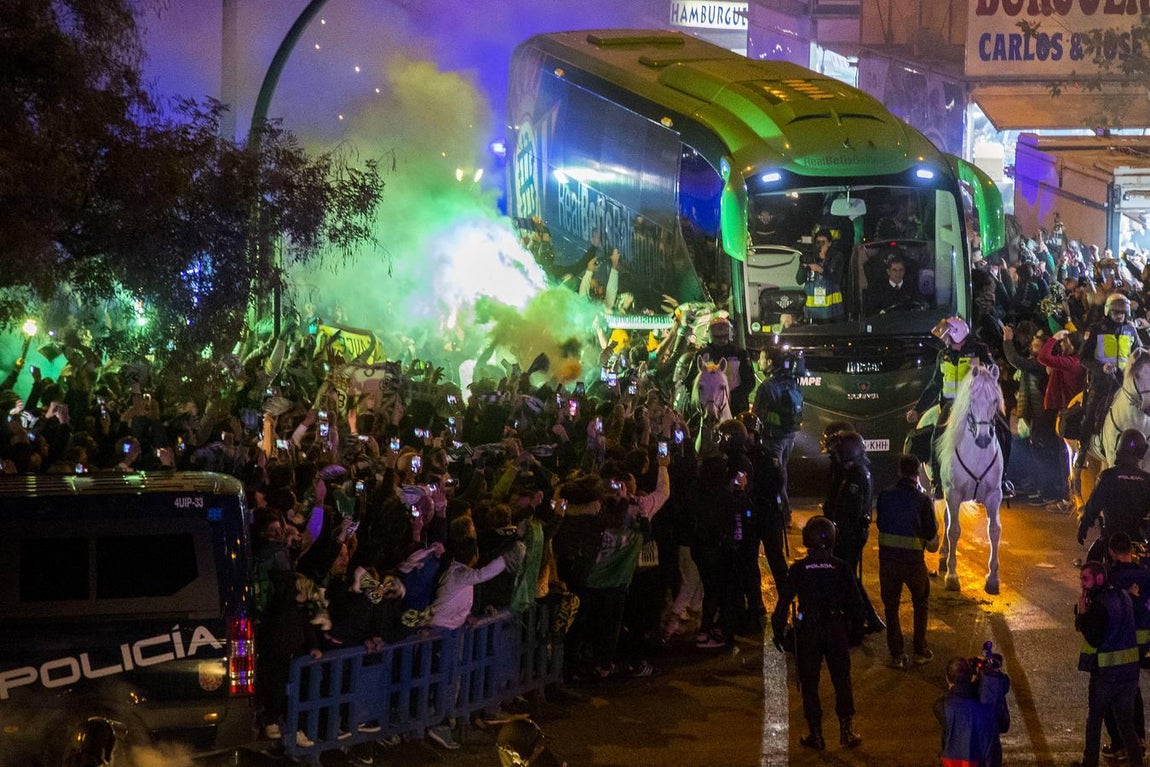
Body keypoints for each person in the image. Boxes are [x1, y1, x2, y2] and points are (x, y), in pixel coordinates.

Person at [771, 516, 865, 750]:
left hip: (809, 630)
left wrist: (778, 632)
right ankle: (846, 731)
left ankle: (816, 733)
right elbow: (857, 605)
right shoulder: (842, 567)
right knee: (841, 680)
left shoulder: (799, 569)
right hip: (835, 628)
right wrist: (854, 634)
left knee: (810, 684)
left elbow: (783, 605)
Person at [906, 316, 1004, 499]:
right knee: (936, 438)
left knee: (1003, 431)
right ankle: (937, 482)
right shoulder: (942, 355)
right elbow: (935, 384)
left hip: (976, 403)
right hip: (951, 406)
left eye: (947, 336)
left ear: (958, 335)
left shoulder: (979, 350)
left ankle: (1003, 480)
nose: (944, 340)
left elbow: (992, 374)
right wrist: (918, 409)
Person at [1073, 560, 1145, 767]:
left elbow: (1094, 638)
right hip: (1129, 676)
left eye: (1085, 579)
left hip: (1106, 675)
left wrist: (1082, 615)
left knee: (1094, 721)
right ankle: (1136, 763)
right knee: (1126, 724)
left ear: (1099, 579)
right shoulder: (1122, 596)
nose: (1082, 584)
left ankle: (1090, 762)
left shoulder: (1099, 605)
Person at [876, 453, 939, 670]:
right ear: (917, 474)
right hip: (913, 563)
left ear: (899, 472)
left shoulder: (884, 495)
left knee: (891, 608)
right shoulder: (922, 500)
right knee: (920, 603)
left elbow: (881, 524)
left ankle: (897, 655)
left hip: (888, 563)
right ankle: (920, 651)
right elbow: (931, 532)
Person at [1075, 293, 1142, 482]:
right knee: (1091, 414)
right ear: (1108, 311)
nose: (1120, 316)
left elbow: (1138, 353)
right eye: (1116, 312)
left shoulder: (1131, 329)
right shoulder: (1097, 329)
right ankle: (1081, 454)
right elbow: (1083, 358)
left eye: (1123, 313)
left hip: (1124, 384)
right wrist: (1101, 366)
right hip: (1102, 383)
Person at [825, 430, 884, 635]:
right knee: (847, 575)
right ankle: (867, 616)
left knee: (848, 576)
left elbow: (849, 510)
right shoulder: (851, 471)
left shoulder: (857, 476)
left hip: (850, 535)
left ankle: (863, 617)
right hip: (847, 533)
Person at [1103, 532, 1150, 760]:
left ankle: (1119, 744)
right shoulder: (1145, 574)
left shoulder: (1111, 578)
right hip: (1142, 642)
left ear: (1111, 551)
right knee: (1134, 691)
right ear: (1130, 551)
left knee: (1111, 692)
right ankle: (1138, 739)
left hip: (1119, 642)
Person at [1077, 429, 1150, 558]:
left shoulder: (1108, 476)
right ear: (1141, 452)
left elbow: (1094, 505)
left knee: (1093, 562)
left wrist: (1084, 525)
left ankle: (1082, 451)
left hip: (1112, 540)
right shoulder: (1147, 479)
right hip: (1139, 543)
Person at [752, 348, 803, 528]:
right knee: (782, 472)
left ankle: (784, 514)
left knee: (775, 475)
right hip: (789, 436)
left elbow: (756, 415)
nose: (759, 362)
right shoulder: (793, 382)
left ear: (770, 362)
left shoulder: (767, 386)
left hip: (773, 438)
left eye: (762, 358)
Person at [934, 655, 1011, 767]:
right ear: (970, 676)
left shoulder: (941, 706)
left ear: (947, 678)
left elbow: (960, 698)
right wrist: (985, 676)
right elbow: (1004, 725)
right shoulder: (986, 704)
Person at [694, 316, 755, 415]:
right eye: (717, 337)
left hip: (735, 407)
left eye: (724, 336)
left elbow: (749, 382)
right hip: (707, 407)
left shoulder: (740, 354)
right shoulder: (701, 355)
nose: (721, 340)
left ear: (729, 335)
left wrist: (729, 396)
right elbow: (691, 381)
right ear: (711, 335)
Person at [796, 228, 847, 323]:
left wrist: (820, 270)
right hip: (812, 311)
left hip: (832, 311)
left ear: (829, 243)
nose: (820, 245)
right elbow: (799, 280)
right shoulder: (809, 257)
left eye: (823, 242)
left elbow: (837, 279)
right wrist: (804, 267)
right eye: (818, 242)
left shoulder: (836, 257)